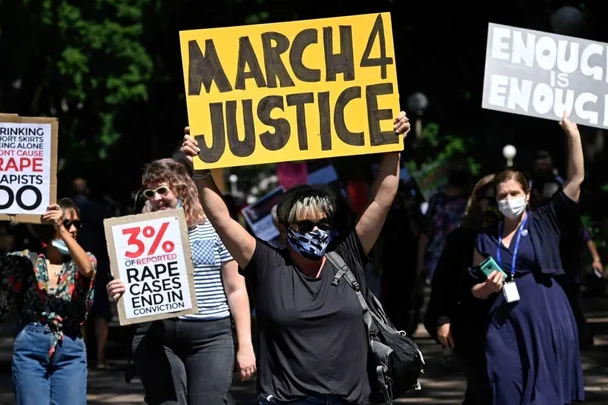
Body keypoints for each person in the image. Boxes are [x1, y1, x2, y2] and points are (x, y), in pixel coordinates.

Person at [181, 112, 410, 405]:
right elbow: (221, 218)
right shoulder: (266, 263)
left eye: (323, 224)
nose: (315, 231)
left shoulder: (347, 256)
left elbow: (381, 199)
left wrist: (394, 146)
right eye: (304, 225)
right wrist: (200, 168)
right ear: (284, 228)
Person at [106, 158, 255, 405]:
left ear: (182, 188)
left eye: (163, 190)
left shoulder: (214, 228)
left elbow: (236, 288)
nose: (156, 198)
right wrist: (119, 289)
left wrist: (246, 346)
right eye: (150, 192)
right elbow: (133, 284)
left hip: (210, 336)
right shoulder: (137, 235)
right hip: (157, 335)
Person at [470, 113, 585, 405]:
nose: (509, 200)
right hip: (504, 324)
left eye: (514, 193)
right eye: (502, 195)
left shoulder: (544, 220)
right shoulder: (485, 237)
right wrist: (488, 288)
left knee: (543, 395)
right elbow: (474, 288)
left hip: (546, 319)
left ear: (527, 194)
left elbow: (576, 179)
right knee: (506, 389)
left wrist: (572, 133)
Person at [0, 199, 97, 405]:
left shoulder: (85, 259)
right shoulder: (26, 260)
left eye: (76, 224)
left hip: (69, 346)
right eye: (66, 223)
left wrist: (60, 229)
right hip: (31, 346)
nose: (72, 229)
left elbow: (87, 269)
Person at [424, 174, 498, 405]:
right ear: (477, 202)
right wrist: (443, 319)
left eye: (504, 197)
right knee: (482, 388)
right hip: (474, 326)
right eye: (491, 198)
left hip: (515, 323)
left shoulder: (522, 237)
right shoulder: (461, 239)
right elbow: (443, 284)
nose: (498, 203)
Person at [71, 177, 113, 369]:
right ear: (87, 190)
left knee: (79, 313)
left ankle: (83, 358)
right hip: (99, 266)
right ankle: (101, 358)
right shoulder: (99, 210)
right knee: (100, 313)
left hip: (74, 265)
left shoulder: (67, 212)